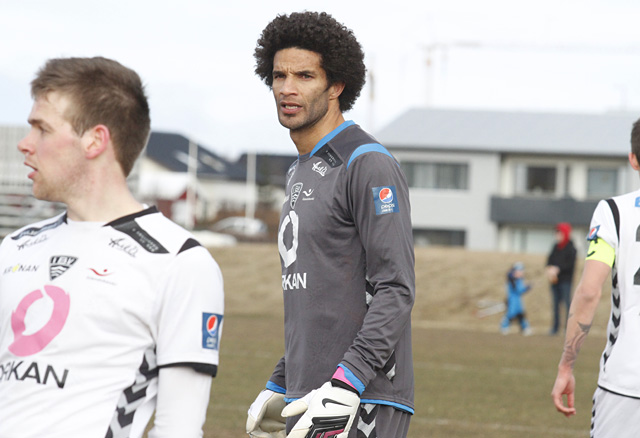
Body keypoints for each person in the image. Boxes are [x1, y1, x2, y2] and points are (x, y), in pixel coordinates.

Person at [0, 57, 224, 438]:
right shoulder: (16, 247)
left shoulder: (179, 262)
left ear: (95, 140)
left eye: (42, 129)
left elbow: (179, 428)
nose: (25, 143)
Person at [246, 11, 415, 438]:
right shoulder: (299, 171)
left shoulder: (367, 163)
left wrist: (348, 381)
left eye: (304, 75)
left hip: (360, 397)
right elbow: (320, 296)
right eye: (279, 75)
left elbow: (395, 288)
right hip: (308, 394)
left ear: (336, 85)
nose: (287, 88)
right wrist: (281, 380)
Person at [551, 118, 640, 436]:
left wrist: (566, 365)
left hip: (626, 380)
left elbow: (589, 292)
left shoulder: (615, 212)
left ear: (633, 159)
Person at [546, 222, 577, 335]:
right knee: (555, 305)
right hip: (555, 281)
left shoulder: (571, 248)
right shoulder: (555, 247)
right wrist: (550, 269)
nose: (557, 234)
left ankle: (568, 328)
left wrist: (558, 269)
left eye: (559, 232)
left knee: (567, 304)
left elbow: (570, 265)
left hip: (566, 281)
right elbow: (549, 260)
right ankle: (555, 328)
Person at [500, 262, 532, 335]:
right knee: (511, 314)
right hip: (512, 300)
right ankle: (504, 326)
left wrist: (527, 288)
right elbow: (517, 290)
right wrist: (526, 288)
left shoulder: (519, 279)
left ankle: (525, 328)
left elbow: (521, 290)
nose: (522, 272)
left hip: (518, 300)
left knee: (521, 314)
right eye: (520, 271)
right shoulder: (512, 279)